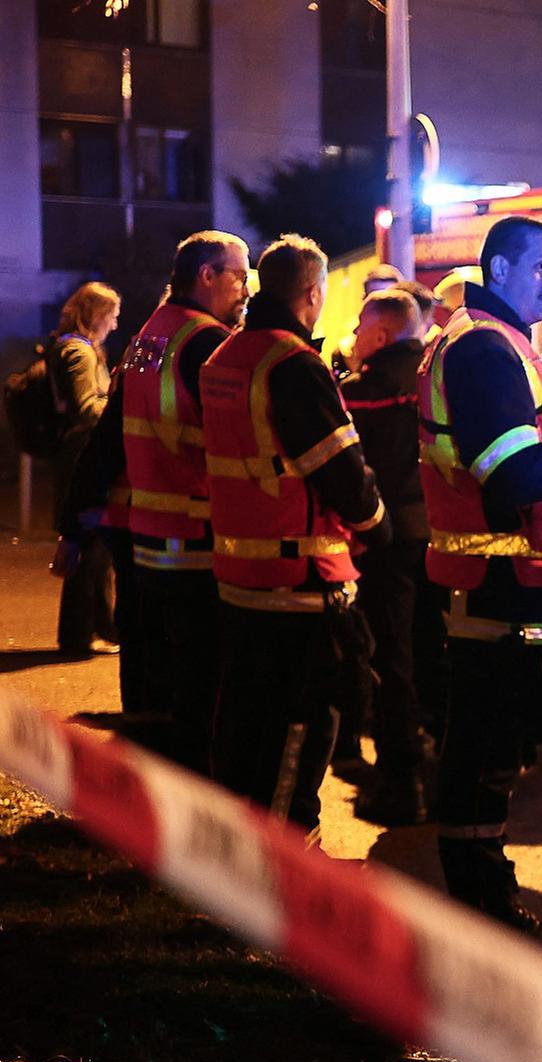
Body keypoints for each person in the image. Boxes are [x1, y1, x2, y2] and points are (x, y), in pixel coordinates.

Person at [420, 215, 542, 952]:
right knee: (483, 752)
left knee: (493, 743)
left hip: (492, 581)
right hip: (492, 584)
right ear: (497, 269)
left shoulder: (491, 342)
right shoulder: (486, 350)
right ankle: (483, 912)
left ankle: (480, 899)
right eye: (541, 267)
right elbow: (515, 472)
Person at [201, 234, 390, 835]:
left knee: (244, 726)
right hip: (301, 580)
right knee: (301, 728)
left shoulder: (225, 356)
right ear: (312, 294)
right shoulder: (294, 365)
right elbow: (341, 473)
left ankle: (235, 857)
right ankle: (284, 870)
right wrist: (377, 526)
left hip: (238, 577)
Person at [100, 230, 249, 768]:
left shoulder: (151, 333)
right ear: (207, 276)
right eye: (239, 273)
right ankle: (190, 790)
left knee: (149, 666)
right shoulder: (207, 342)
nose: (247, 287)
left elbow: (111, 431)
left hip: (147, 533)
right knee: (200, 676)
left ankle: (145, 775)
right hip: (197, 533)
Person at [339, 287, 431, 825]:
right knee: (435, 652)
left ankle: (401, 784)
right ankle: (445, 768)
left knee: (390, 658)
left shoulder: (364, 391)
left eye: (358, 328)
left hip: (387, 538)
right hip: (444, 537)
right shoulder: (440, 376)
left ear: (378, 335)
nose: (353, 338)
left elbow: (352, 469)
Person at [48, 282, 122, 656]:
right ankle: (79, 635)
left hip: (81, 452)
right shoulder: (78, 353)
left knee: (96, 546)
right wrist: (119, 406)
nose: (116, 322)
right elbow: (84, 407)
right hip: (84, 453)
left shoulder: (75, 348)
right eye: (112, 315)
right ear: (97, 315)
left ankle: (99, 628)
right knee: (89, 545)